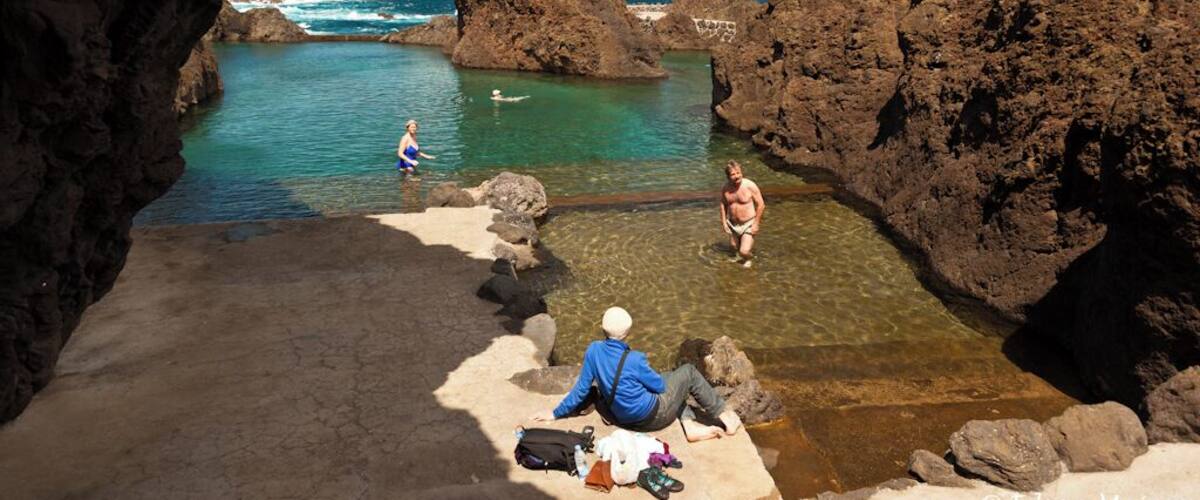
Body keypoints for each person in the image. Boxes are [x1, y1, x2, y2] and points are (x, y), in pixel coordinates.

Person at [531, 307, 742, 442]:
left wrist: (555, 413)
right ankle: (726, 417)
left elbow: (580, 390)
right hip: (652, 418)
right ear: (628, 333)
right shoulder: (635, 359)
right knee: (687, 373)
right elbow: (659, 387)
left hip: (622, 418)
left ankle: (689, 425)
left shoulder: (593, 350)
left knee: (672, 377)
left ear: (603, 329)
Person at [719, 160, 765, 268]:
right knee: (733, 247)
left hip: (748, 223)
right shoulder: (725, 188)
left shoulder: (749, 185)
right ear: (728, 176)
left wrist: (756, 223)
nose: (736, 176)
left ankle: (750, 258)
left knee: (743, 251)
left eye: (738, 173)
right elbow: (723, 204)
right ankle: (738, 260)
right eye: (733, 174)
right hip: (733, 224)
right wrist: (724, 222)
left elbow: (761, 205)